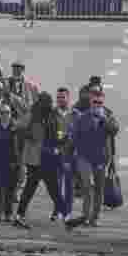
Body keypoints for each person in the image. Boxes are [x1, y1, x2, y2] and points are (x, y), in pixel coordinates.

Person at [67, 89, 120, 229]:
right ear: (90, 102)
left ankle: (94, 218)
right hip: (84, 157)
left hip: (101, 158)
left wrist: (103, 119)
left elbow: (115, 129)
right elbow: (74, 136)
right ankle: (85, 216)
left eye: (99, 102)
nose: (97, 104)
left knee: (99, 189)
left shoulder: (108, 115)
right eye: (95, 102)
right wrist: (72, 154)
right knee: (87, 186)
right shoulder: (82, 116)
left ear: (103, 103)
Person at [13, 92, 63, 229]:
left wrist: (58, 142)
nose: (47, 105)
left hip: (42, 158)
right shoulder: (35, 114)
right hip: (37, 158)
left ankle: (19, 215)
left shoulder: (47, 114)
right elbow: (18, 127)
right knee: (48, 188)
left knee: (39, 188)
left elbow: (60, 131)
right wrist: (29, 135)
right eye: (45, 102)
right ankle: (20, 215)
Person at [54, 87, 79, 222]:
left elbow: (80, 134)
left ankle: (68, 212)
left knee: (69, 186)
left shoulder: (75, 115)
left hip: (70, 155)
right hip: (55, 155)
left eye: (63, 97)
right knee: (56, 186)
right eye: (58, 97)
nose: (60, 100)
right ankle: (58, 210)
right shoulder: (52, 114)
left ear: (68, 98)